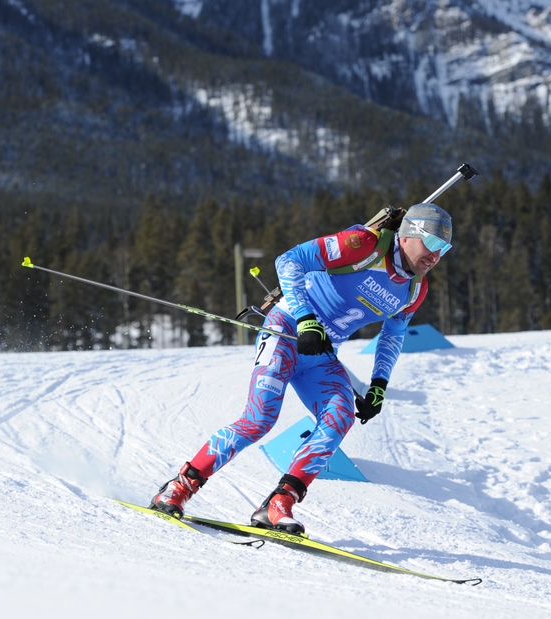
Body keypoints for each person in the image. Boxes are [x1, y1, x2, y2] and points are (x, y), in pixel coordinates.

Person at [149, 203, 454, 533]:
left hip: (320, 354)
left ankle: (279, 504)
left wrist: (378, 383)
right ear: (408, 235)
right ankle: (178, 488)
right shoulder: (362, 244)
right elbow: (289, 260)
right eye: (433, 244)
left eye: (444, 249)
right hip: (285, 332)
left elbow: (393, 334)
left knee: (340, 417)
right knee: (259, 420)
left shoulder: (414, 289)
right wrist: (306, 319)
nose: (436, 256)